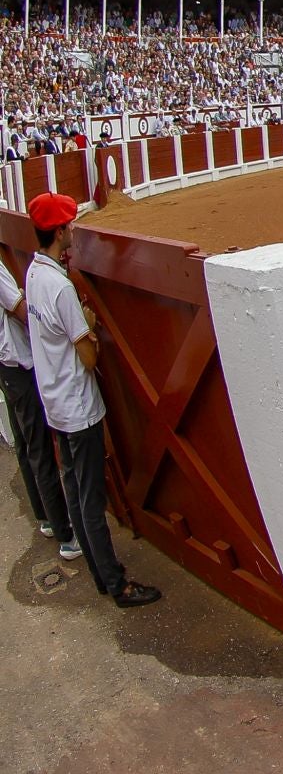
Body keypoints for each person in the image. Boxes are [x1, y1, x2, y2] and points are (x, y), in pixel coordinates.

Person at [24, 192, 162, 608]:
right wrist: (89, 326)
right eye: (70, 225)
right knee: (90, 497)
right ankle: (115, 583)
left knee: (75, 486)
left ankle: (101, 576)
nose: (73, 231)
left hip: (54, 400)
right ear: (61, 231)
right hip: (76, 404)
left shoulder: (33, 274)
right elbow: (86, 356)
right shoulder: (59, 288)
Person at [0, 254, 79, 562]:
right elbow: (18, 308)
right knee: (38, 447)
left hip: (6, 364)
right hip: (17, 362)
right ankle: (65, 533)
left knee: (25, 441)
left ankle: (45, 516)